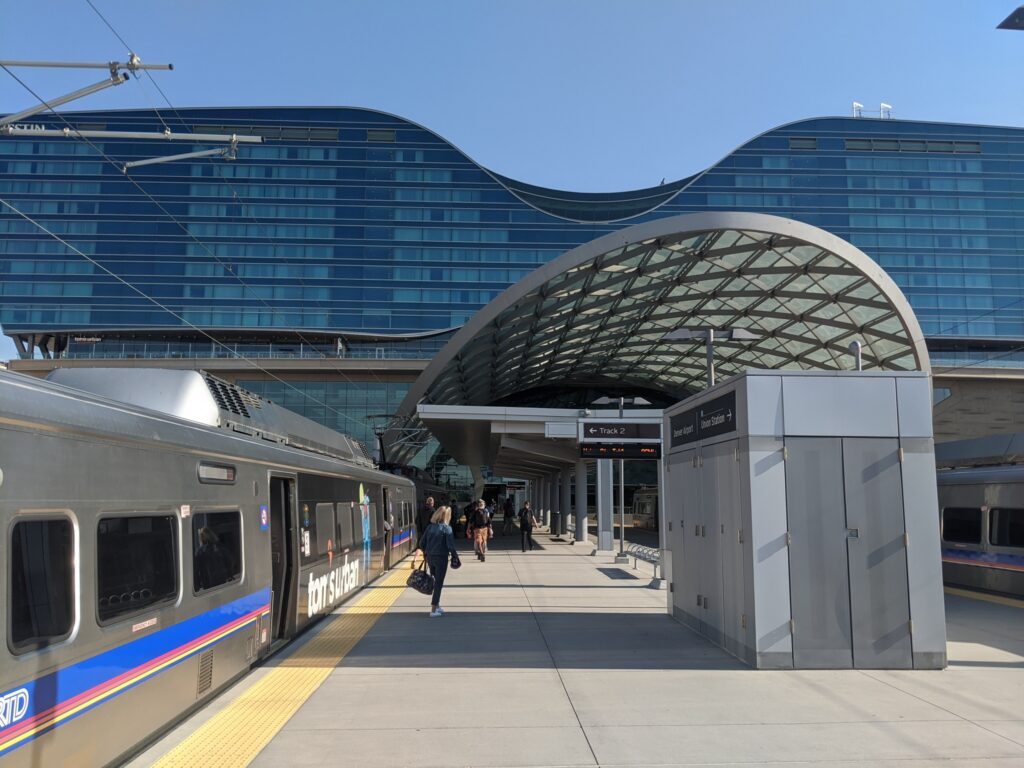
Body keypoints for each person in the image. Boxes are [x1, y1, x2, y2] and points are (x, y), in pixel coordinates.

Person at [419, 505, 459, 617]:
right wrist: (455, 556)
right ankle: (433, 609)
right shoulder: (447, 529)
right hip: (441, 558)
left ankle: (437, 605)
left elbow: (421, 543)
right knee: (439, 583)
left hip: (430, 558)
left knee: (435, 580)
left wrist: (427, 552)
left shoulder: (430, 527)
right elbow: (450, 546)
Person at [413, 496, 435, 568]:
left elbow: (416, 521)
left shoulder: (421, 510)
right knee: (428, 548)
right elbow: (434, 522)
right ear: (432, 503)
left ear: (426, 502)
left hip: (420, 532)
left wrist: (419, 528)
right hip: (429, 533)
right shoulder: (433, 511)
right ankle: (426, 562)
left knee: (419, 547)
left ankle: (415, 560)